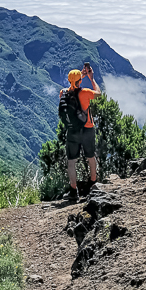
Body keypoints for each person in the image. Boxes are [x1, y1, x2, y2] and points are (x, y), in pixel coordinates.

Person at [61, 64, 102, 200]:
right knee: (91, 157)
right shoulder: (85, 93)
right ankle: (93, 184)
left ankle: (73, 191)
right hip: (87, 129)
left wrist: (79, 77)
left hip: (72, 131)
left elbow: (72, 87)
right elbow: (98, 94)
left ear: (68, 80)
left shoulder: (63, 93)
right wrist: (91, 78)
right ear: (80, 81)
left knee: (71, 161)